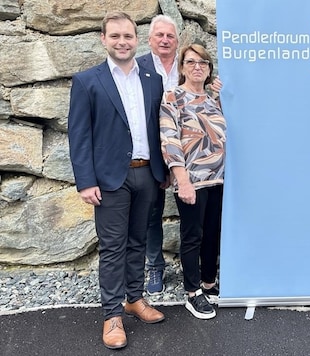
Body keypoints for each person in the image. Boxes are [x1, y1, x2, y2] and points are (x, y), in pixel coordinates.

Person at [67, 11, 167, 349]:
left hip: (147, 174)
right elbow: (79, 135)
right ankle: (112, 315)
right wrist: (85, 181)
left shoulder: (152, 78)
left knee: (138, 241)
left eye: (128, 36)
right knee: (113, 248)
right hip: (110, 179)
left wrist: (163, 171)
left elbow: (159, 127)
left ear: (136, 40)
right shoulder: (87, 81)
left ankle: (134, 299)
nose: (122, 42)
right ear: (103, 39)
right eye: (116, 37)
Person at [160, 43, 226, 319]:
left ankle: (209, 283)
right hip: (191, 181)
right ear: (182, 67)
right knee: (192, 235)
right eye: (191, 62)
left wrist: (221, 98)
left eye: (203, 62)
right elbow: (170, 139)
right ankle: (192, 292)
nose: (197, 66)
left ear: (209, 69)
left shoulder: (213, 99)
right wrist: (182, 180)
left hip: (218, 179)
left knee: (212, 234)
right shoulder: (173, 97)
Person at [136, 14, 179, 296]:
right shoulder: (136, 68)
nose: (165, 40)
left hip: (188, 153)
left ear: (178, 41)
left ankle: (198, 269)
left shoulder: (188, 66)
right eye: (159, 35)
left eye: (170, 36)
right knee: (152, 214)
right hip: (152, 152)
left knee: (196, 213)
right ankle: (155, 265)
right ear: (150, 39)